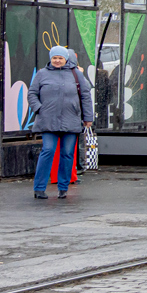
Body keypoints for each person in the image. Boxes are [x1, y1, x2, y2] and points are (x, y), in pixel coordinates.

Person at [28, 45, 93, 200]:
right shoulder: (42, 74)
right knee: (48, 151)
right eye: (54, 58)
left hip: (71, 121)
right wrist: (39, 108)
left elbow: (85, 95)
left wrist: (88, 118)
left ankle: (63, 188)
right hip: (48, 121)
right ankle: (39, 188)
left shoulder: (76, 74)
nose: (57, 61)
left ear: (66, 59)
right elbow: (32, 93)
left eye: (60, 58)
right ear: (51, 59)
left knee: (67, 154)